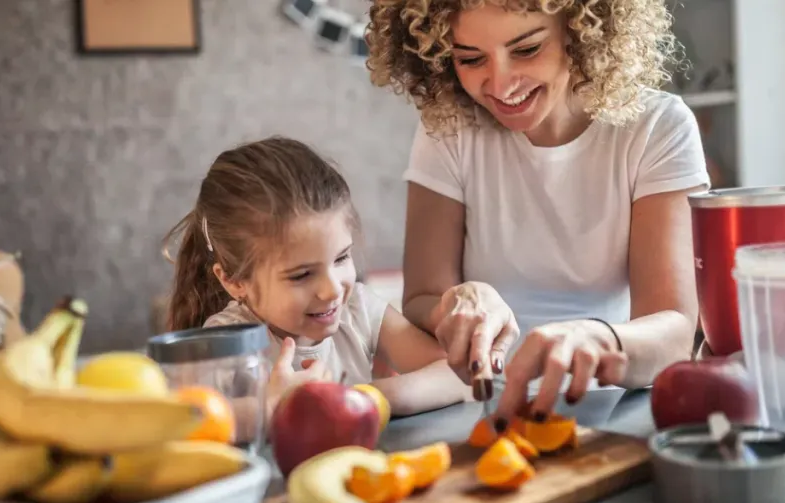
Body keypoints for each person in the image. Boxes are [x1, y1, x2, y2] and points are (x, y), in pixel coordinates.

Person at [366, 0, 709, 423]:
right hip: (477, 405)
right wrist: (457, 302)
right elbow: (420, 299)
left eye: (527, 49)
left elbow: (674, 330)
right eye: (471, 59)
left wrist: (596, 338)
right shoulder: (449, 127)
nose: (502, 83)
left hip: (607, 405)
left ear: (580, 30)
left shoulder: (658, 128)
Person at [163, 137, 471, 439]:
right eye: (301, 275)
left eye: (341, 258)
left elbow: (459, 376)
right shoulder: (225, 341)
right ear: (234, 281)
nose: (332, 290)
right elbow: (182, 423)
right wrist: (274, 407)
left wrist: (360, 398)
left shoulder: (358, 309)